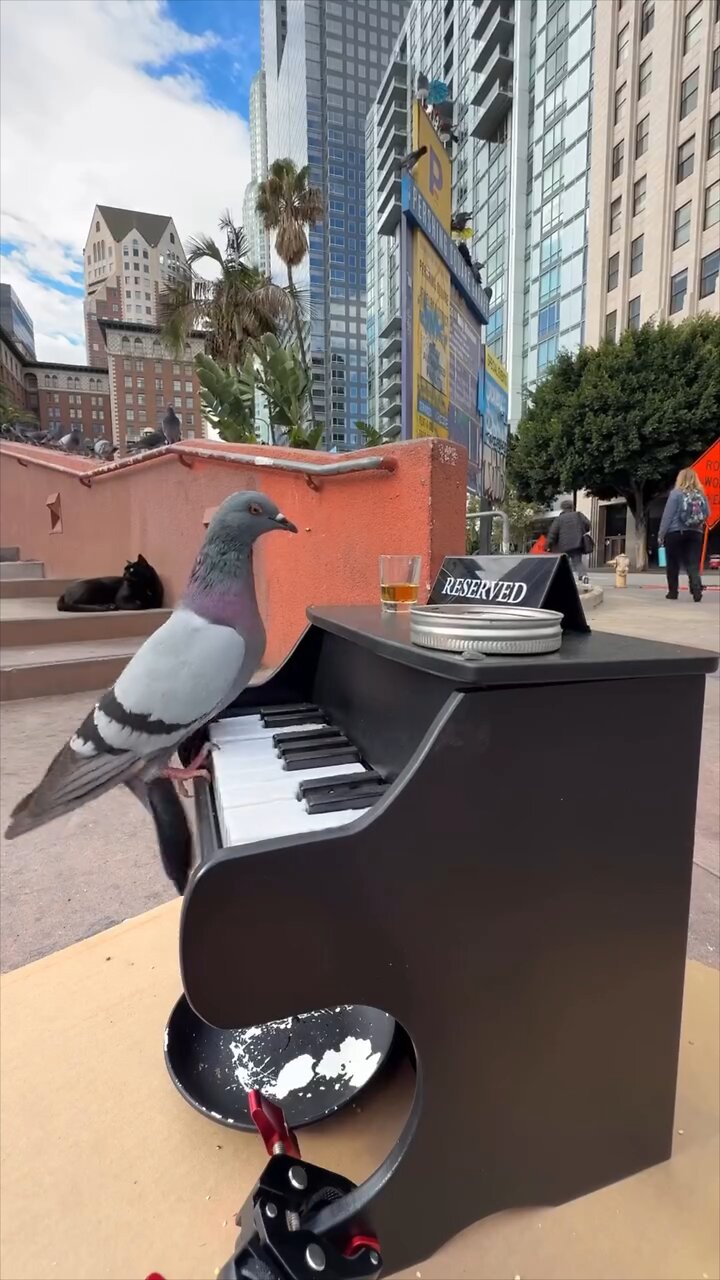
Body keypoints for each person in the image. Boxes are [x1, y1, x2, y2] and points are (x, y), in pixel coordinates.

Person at [658, 468, 710, 602]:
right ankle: (696, 589)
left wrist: (661, 534)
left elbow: (667, 516)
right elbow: (707, 513)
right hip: (695, 533)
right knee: (692, 563)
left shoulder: (675, 494)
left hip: (675, 533)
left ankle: (673, 592)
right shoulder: (701, 495)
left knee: (673, 564)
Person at [546, 499, 591, 582]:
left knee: (561, 564)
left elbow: (552, 534)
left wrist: (548, 545)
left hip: (562, 547)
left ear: (562, 508)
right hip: (577, 544)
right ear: (572, 507)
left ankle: (560, 580)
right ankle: (583, 576)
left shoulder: (559, 519)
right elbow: (588, 524)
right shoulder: (579, 515)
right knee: (578, 562)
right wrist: (582, 530)